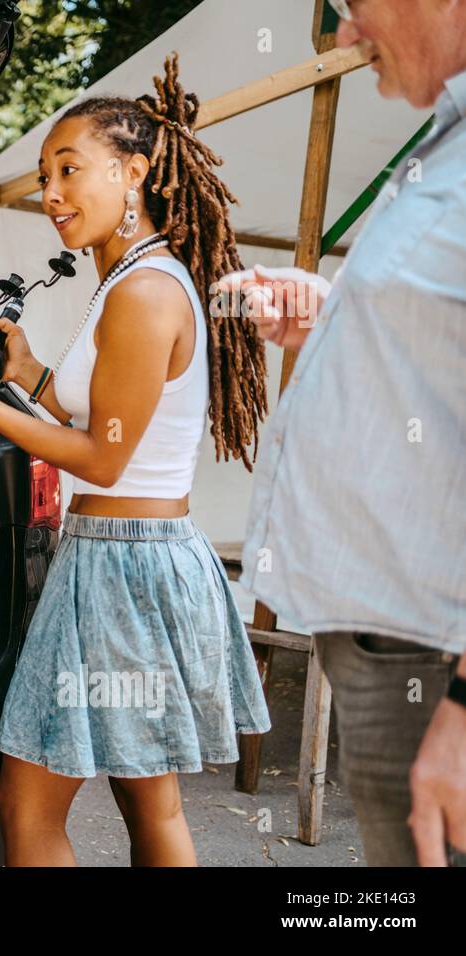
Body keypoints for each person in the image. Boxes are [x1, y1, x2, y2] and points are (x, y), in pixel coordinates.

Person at [0, 55, 271, 867]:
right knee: (150, 803)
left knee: (28, 806)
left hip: (125, 573)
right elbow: (98, 419)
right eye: (44, 175)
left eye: (70, 170)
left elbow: (102, 461)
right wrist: (28, 368)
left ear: (134, 170)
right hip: (128, 562)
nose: (52, 194)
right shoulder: (132, 282)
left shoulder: (144, 293)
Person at [216, 0, 466, 867]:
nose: (345, 35)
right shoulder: (446, 142)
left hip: (439, 663)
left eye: (355, 6)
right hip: (392, 650)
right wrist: (339, 320)